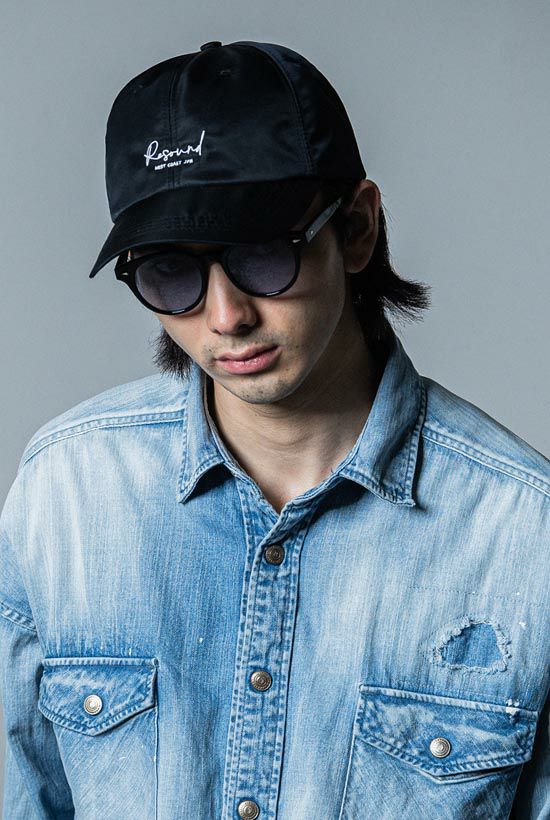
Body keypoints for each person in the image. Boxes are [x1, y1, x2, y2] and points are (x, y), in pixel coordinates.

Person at [0, 39, 548, 820]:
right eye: (170, 271)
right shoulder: (67, 492)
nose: (226, 317)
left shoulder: (524, 533)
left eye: (263, 254)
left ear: (357, 229)